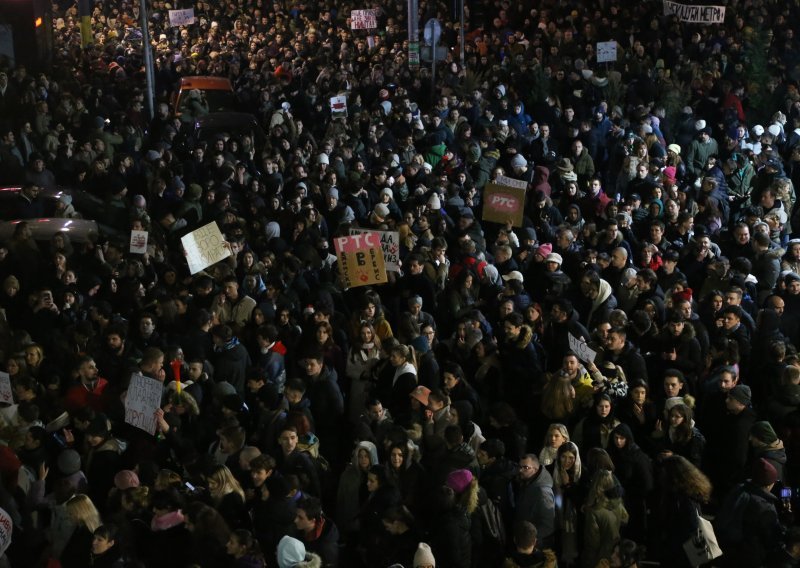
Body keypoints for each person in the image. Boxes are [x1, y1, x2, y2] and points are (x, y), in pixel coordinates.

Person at [581, 469, 629, 568]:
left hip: (600, 556)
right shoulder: (618, 503)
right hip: (615, 551)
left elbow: (593, 542)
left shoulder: (594, 511)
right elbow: (625, 519)